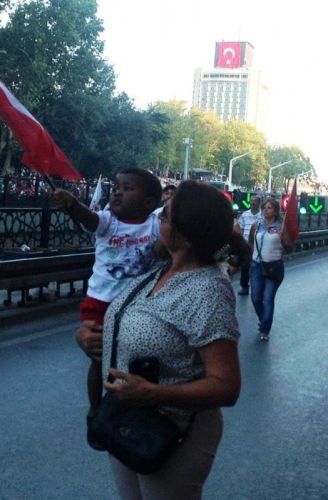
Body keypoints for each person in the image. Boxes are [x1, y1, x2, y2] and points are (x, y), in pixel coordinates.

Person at [77, 181, 251, 499]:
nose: (158, 218)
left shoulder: (207, 289)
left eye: (165, 216)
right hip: (128, 421)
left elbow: (227, 386)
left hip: (175, 435)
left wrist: (153, 393)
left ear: (185, 231)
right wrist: (89, 337)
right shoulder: (159, 269)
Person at [53, 167, 162, 448]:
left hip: (137, 306)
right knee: (99, 359)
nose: (118, 192)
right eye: (116, 187)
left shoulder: (155, 225)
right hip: (100, 302)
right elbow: (87, 219)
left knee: (132, 359)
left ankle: (130, 407)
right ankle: (95, 409)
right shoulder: (108, 222)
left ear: (150, 203)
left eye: (128, 189)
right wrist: (72, 203)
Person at [248, 198, 294, 341]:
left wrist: (283, 240)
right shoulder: (256, 225)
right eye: (264, 208)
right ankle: (264, 319)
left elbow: (289, 248)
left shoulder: (281, 227)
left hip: (273, 267)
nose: (265, 210)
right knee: (255, 298)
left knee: (268, 299)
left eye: (269, 208)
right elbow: (250, 243)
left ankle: (265, 330)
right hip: (256, 265)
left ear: (275, 211)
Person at [237, 195, 262, 295]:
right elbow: (240, 229)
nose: (253, 203)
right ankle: (244, 287)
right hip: (247, 244)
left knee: (258, 266)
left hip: (258, 244)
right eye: (251, 201)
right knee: (245, 266)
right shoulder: (245, 215)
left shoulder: (262, 216)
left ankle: (258, 287)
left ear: (259, 203)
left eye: (255, 201)